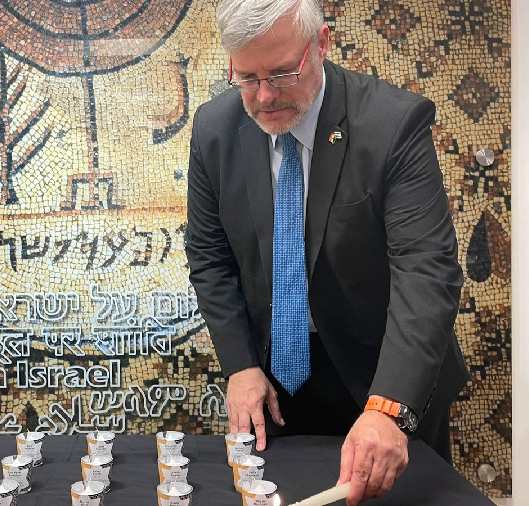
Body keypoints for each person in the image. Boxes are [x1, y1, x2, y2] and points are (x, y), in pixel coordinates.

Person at [185, 0, 470, 504]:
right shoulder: (215, 128)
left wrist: (389, 406)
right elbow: (209, 256)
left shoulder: (392, 124)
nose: (265, 96)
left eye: (282, 73)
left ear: (321, 44)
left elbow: (426, 271)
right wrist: (240, 364)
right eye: (247, 78)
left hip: (384, 372)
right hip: (279, 384)